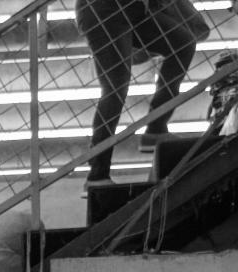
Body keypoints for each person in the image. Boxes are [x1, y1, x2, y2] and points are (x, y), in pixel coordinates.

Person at [75, 0, 206, 184]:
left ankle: (156, 128)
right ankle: (97, 173)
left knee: (183, 43)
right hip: (104, 9)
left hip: (135, 9)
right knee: (115, 87)